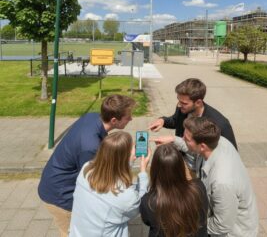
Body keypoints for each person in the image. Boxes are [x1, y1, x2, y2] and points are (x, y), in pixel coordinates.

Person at [38, 94, 135, 237]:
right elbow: (96, 184)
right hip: (61, 195)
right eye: (128, 117)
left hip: (53, 182)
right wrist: (127, 162)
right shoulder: (90, 147)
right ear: (114, 120)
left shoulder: (93, 117)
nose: (131, 119)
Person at [183, 117, 258, 236]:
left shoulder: (221, 182)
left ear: (202, 146)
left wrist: (191, 227)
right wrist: (172, 140)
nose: (183, 139)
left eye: (186, 139)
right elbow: (192, 146)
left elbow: (221, 226)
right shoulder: (218, 141)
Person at [69, 131, 151, 237]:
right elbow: (141, 205)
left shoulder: (86, 169)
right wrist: (143, 171)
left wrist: (128, 162)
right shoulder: (126, 197)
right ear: (123, 158)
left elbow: (115, 170)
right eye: (131, 148)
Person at [149, 78, 237, 173]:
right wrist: (163, 121)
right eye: (179, 100)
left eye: (184, 103)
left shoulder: (220, 124)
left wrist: (173, 139)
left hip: (201, 172)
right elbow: (175, 121)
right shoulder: (183, 108)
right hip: (182, 162)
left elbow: (231, 155)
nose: (179, 105)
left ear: (198, 102)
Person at [140, 144, 208, 237]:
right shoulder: (199, 187)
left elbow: (146, 220)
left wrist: (143, 171)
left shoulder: (148, 202)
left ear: (155, 170)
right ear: (181, 166)